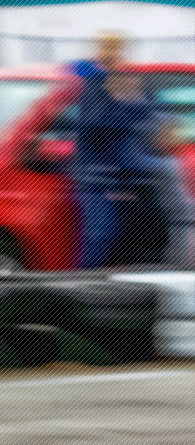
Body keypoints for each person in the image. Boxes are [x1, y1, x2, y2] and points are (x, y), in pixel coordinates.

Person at [71, 32, 172, 268]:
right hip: (97, 177)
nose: (112, 53)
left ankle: (125, 285)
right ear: (98, 50)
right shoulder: (92, 81)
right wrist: (122, 101)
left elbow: (149, 115)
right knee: (101, 235)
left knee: (131, 238)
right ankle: (80, 286)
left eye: (116, 48)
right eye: (107, 48)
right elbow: (94, 124)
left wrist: (131, 100)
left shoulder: (128, 80)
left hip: (128, 176)